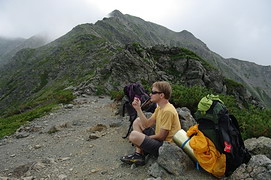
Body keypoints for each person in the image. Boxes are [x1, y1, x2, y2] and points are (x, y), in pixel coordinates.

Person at [120, 81, 181, 165]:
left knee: (134, 135)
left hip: (165, 146)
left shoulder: (168, 111)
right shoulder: (160, 108)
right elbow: (147, 124)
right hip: (159, 140)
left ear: (161, 95)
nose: (150, 94)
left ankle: (141, 152)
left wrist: (145, 138)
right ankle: (139, 154)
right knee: (137, 121)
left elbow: (162, 136)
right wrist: (138, 109)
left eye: (153, 92)